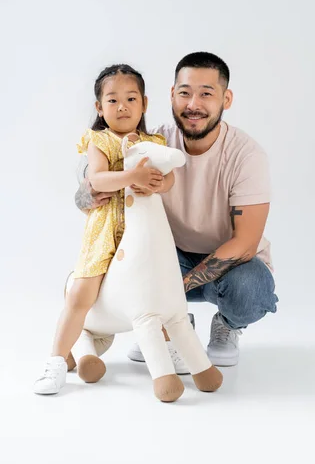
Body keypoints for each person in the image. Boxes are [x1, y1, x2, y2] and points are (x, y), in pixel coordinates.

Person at [75, 52, 279, 370]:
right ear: (172, 95)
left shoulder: (246, 155)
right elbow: (89, 185)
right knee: (93, 277)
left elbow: (246, 243)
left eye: (206, 94)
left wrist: (171, 290)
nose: (193, 104)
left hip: (228, 266)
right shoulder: (152, 143)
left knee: (252, 289)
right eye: (184, 92)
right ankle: (166, 327)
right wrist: (87, 195)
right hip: (168, 256)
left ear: (226, 98)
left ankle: (224, 325)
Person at [34, 64, 173, 394]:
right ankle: (56, 360)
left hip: (142, 229)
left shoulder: (154, 141)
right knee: (81, 293)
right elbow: (96, 179)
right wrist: (132, 178)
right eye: (112, 100)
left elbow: (169, 178)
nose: (122, 106)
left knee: (157, 286)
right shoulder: (100, 140)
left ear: (144, 103)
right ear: (99, 107)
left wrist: (159, 184)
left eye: (130, 98)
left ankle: (168, 346)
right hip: (105, 230)